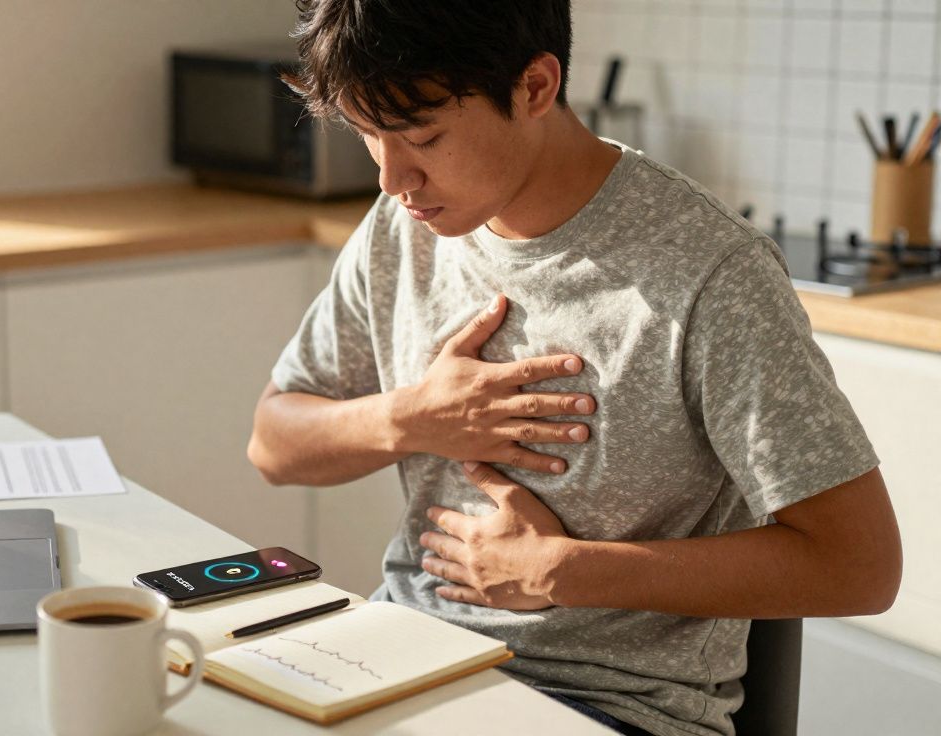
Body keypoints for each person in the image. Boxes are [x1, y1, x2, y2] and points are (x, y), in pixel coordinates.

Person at [245, 2, 903, 735]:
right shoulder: (404, 227)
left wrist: (560, 571)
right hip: (404, 657)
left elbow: (861, 566)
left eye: (422, 136)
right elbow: (274, 442)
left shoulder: (709, 275)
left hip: (607, 706)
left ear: (534, 87)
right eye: (369, 135)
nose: (392, 179)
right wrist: (412, 418)